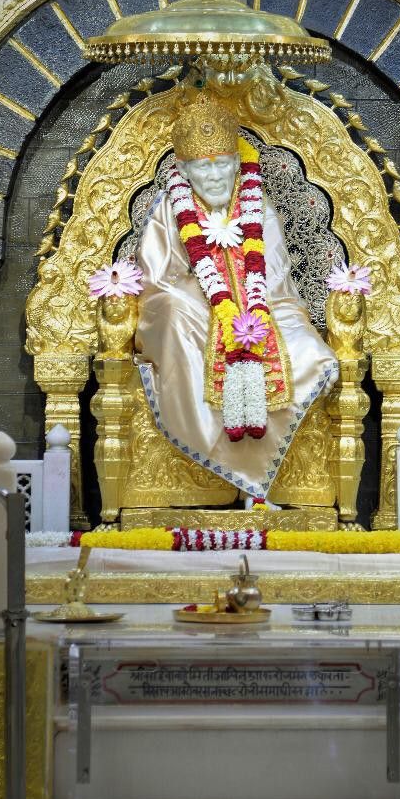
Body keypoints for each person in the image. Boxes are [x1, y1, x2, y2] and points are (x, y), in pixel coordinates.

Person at [135, 87, 338, 502]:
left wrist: (254, 305)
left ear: (237, 164)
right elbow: (157, 281)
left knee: (308, 348)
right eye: (202, 168)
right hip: (194, 310)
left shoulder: (256, 205)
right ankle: (226, 464)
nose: (213, 177)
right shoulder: (170, 211)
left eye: (221, 166)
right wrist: (209, 297)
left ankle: (262, 476)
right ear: (185, 171)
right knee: (172, 309)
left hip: (263, 305)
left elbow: (278, 279)